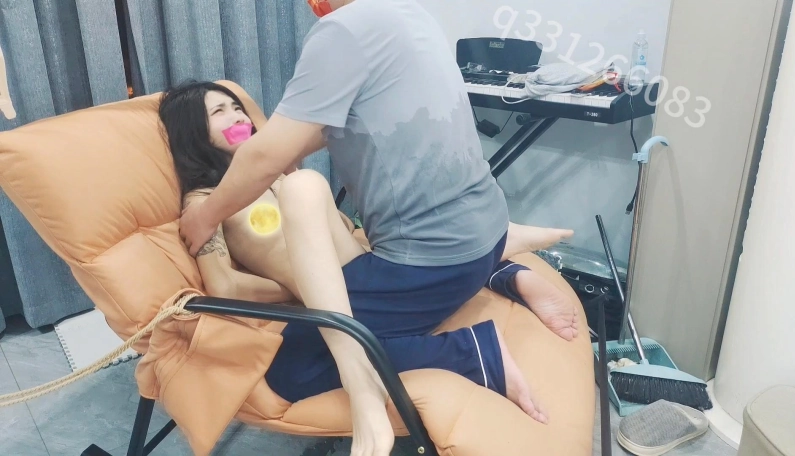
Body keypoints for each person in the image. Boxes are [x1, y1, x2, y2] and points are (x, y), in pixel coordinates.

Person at [178, 1, 579, 454]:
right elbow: (225, 283)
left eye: (238, 107)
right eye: (220, 112)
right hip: (461, 240)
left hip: (403, 266)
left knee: (296, 352)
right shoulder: (206, 200)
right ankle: (503, 256)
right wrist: (286, 282)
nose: (238, 117)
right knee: (308, 192)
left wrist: (277, 159)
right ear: (195, 137)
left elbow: (278, 162)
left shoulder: (284, 159)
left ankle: (479, 334)